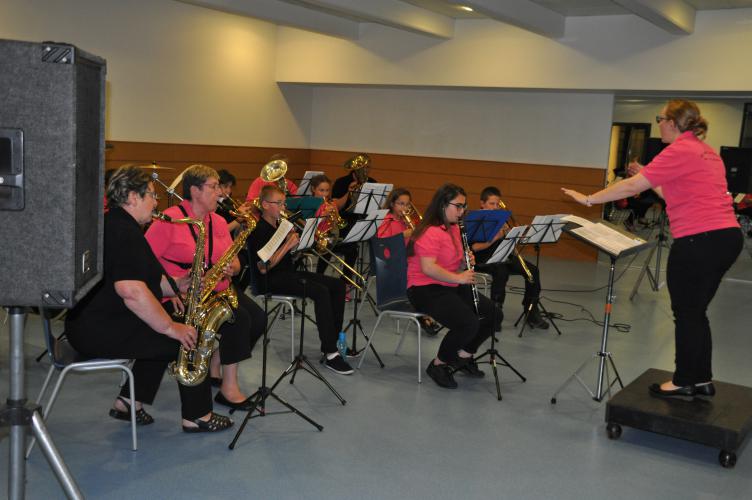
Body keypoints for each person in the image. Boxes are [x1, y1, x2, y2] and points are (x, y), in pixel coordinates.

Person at [562, 99, 742, 399]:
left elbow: (632, 187)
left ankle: (684, 380)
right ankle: (701, 378)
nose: (659, 124)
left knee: (686, 312)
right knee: (696, 311)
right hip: (726, 237)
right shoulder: (707, 152)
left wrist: (589, 199)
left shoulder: (679, 150)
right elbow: (674, 194)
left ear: (672, 122)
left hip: (699, 239)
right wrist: (646, 174)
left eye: (661, 118)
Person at [65, 166, 233, 433]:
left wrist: (178, 285)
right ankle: (198, 415)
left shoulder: (117, 224)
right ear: (133, 197)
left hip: (95, 320)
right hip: (97, 329)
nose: (156, 202)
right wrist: (171, 327)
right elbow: (131, 290)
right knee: (188, 340)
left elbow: (145, 280)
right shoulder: (124, 233)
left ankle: (128, 402)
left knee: (164, 330)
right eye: (152, 195)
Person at [146, 164, 266, 411]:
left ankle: (216, 362)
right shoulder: (170, 219)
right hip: (181, 295)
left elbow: (233, 259)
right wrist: (171, 286)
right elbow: (143, 263)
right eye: (214, 187)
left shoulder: (218, 221)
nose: (220, 192)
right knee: (239, 319)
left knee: (258, 319)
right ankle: (229, 388)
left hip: (217, 288)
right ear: (195, 190)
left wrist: (234, 266)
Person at [246, 184, 355, 375]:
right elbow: (263, 267)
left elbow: (288, 258)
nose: (283, 207)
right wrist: (287, 246)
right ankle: (330, 353)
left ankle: (335, 342)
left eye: (284, 203)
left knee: (338, 285)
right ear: (265, 205)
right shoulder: (258, 230)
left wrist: (298, 247)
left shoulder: (280, 225)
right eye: (279, 203)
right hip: (269, 280)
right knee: (320, 292)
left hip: (287, 273)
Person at [406, 183, 496, 389]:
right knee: (468, 322)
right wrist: (459, 278)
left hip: (448, 283)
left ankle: (463, 356)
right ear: (443, 205)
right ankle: (438, 364)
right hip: (424, 288)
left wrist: (465, 262)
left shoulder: (454, 228)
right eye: (459, 206)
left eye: (464, 206)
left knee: (493, 314)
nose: (462, 211)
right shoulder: (429, 231)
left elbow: (453, 263)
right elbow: (428, 268)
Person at [471, 187, 549, 329]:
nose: (495, 207)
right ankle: (495, 313)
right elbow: (474, 248)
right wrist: (495, 238)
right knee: (501, 271)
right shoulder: (475, 220)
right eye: (491, 204)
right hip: (482, 259)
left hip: (503, 256)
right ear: (482, 203)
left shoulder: (501, 219)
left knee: (533, 271)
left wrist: (516, 234)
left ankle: (531, 311)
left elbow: (508, 242)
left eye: (497, 204)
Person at [377, 187, 442, 336]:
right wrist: (403, 235)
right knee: (417, 280)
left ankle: (425, 312)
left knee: (427, 272)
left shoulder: (407, 221)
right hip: (391, 264)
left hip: (407, 259)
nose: (405, 208)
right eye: (401, 204)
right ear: (392, 204)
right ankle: (422, 316)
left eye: (407, 204)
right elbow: (382, 246)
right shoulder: (386, 221)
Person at [309, 174, 359, 295]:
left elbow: (335, 225)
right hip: (313, 239)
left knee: (352, 249)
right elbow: (308, 226)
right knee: (327, 249)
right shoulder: (309, 204)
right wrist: (322, 216)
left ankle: (345, 281)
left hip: (328, 238)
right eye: (321, 190)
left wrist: (335, 217)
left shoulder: (331, 203)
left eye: (327, 190)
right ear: (313, 189)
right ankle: (318, 278)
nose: (325, 194)